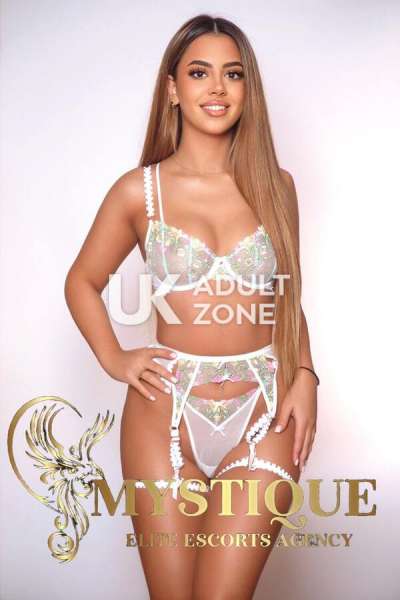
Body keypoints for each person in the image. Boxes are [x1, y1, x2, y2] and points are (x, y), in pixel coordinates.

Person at [64, 13, 318, 600]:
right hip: (164, 414)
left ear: (248, 89)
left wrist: (306, 374)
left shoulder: (277, 186)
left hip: (265, 409)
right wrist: (115, 359)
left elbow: (287, 295)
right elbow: (82, 280)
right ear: (173, 88)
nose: (217, 87)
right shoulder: (139, 191)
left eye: (234, 73)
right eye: (199, 73)